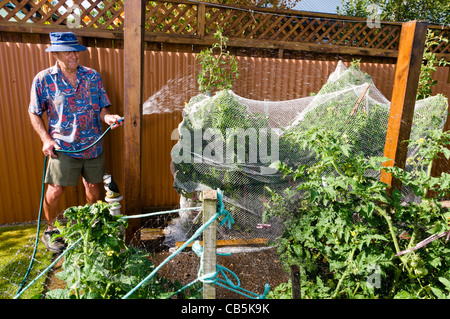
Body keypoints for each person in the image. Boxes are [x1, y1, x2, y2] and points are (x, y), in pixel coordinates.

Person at [28, 32, 123, 253]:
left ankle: (93, 227)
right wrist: (45, 139)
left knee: (93, 187)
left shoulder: (92, 76)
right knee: (56, 189)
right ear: (56, 54)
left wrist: (108, 118)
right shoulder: (43, 79)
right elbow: (34, 113)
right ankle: (51, 230)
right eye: (68, 52)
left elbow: (103, 108)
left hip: (93, 145)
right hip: (62, 147)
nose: (74, 56)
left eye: (75, 51)